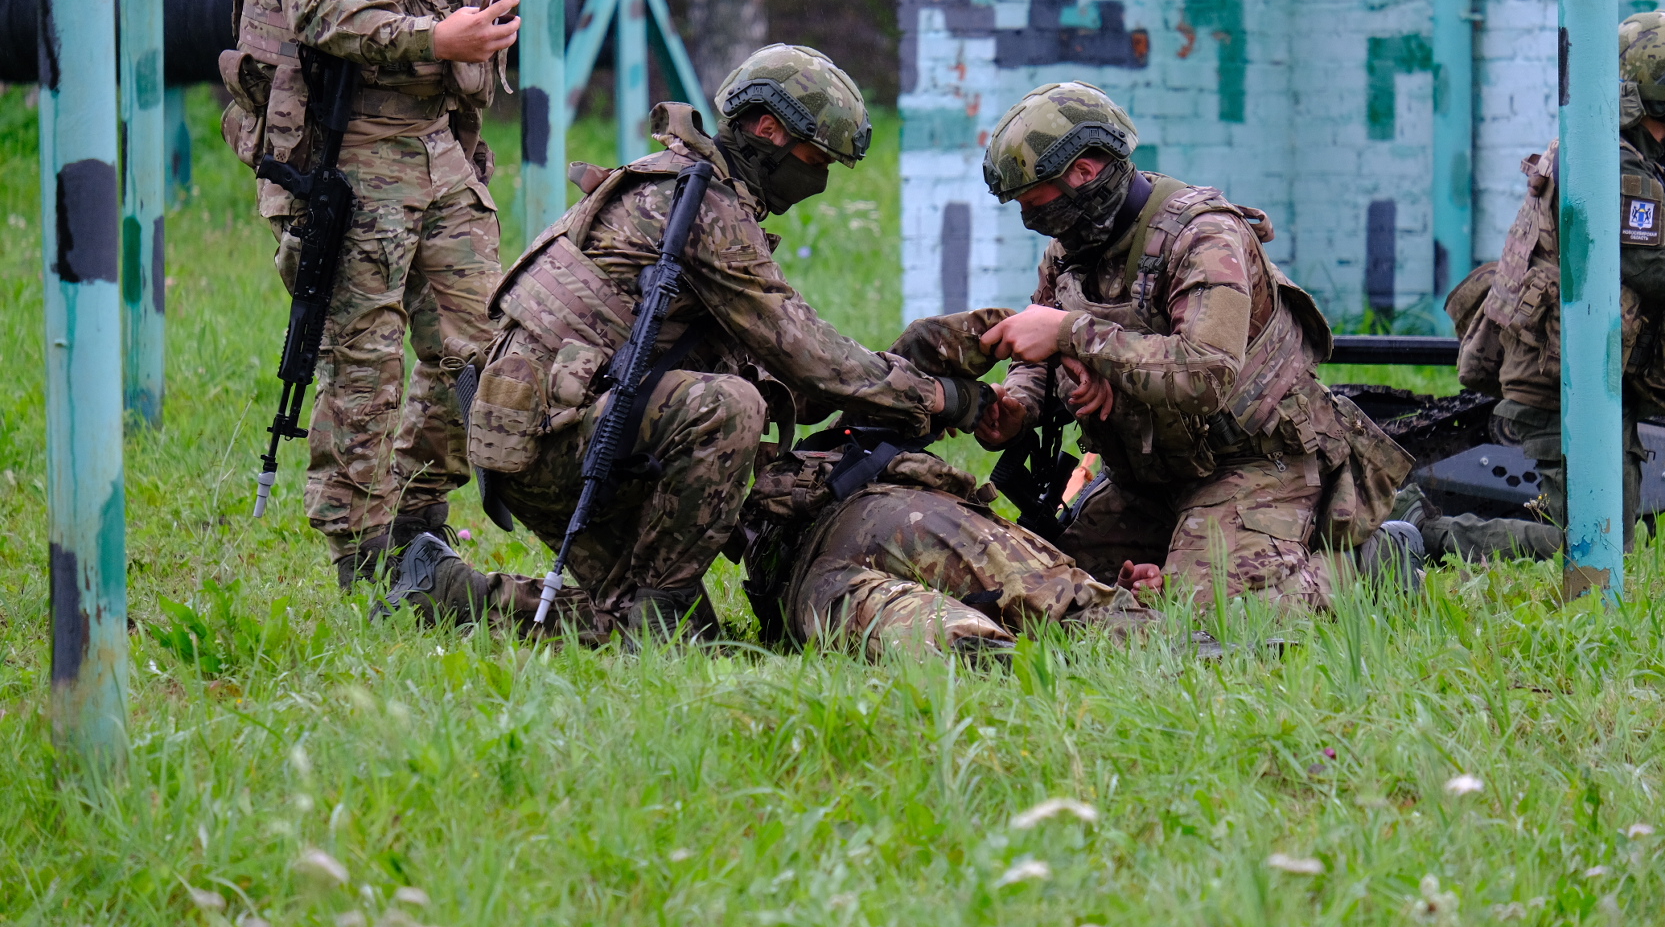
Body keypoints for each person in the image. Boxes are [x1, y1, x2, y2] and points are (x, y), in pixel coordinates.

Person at [453, 46, 989, 640]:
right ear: (769, 130)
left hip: (544, 429)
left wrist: (891, 380)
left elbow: (775, 367)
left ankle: (457, 594)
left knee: (681, 638)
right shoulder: (702, 207)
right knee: (730, 408)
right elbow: (804, 351)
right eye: (816, 156)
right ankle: (658, 604)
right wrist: (941, 400)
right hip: (564, 441)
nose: (821, 177)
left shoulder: (672, 182)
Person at [383, 309, 1161, 655]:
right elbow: (877, 364)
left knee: (945, 639)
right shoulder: (740, 372)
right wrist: (972, 380)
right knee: (1075, 618)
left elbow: (868, 366)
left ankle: (459, 594)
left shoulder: (709, 381)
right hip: (883, 519)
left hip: (799, 581)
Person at [218, 0, 520, 587]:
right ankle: (362, 561)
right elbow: (316, 9)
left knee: (482, 345)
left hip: (435, 145)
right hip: (350, 155)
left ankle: (421, 527)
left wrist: (476, 23)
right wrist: (435, 37)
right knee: (365, 364)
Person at [969, 83, 1418, 609]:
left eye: (1033, 200)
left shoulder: (1203, 236)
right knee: (1054, 589)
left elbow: (1205, 374)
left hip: (1252, 462)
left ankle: (1370, 562)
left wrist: (1073, 334)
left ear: (1085, 173)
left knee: (1211, 613)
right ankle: (1184, 554)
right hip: (1148, 476)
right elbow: (1042, 352)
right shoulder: (1072, 250)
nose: (1029, 216)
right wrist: (1018, 405)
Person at [1442, 10, 1665, 556]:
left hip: (1599, 359)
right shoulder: (1618, 169)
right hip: (1564, 384)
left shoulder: (1613, 151)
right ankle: (1422, 532)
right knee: (1596, 548)